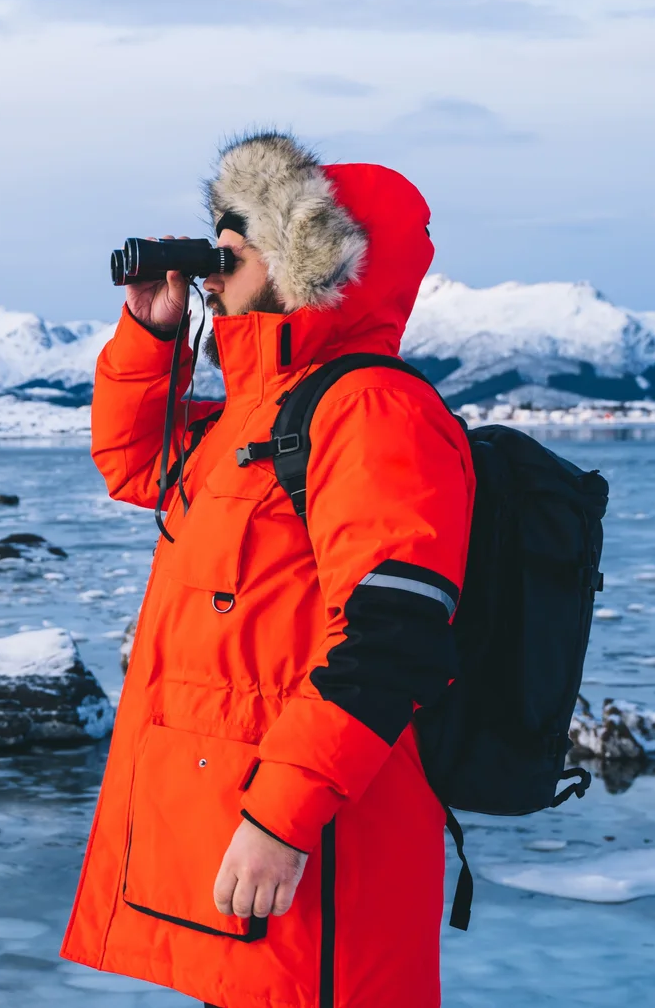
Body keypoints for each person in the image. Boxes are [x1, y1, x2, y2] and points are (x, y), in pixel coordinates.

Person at [60, 132, 474, 1008]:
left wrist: (277, 820)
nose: (209, 272)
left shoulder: (373, 411)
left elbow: (393, 638)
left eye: (231, 252)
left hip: (312, 845)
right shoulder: (258, 413)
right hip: (243, 839)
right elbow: (136, 466)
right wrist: (149, 331)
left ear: (305, 259)